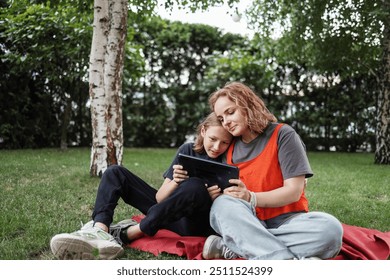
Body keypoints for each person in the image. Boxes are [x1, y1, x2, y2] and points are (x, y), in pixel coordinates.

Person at [50, 112, 232, 260]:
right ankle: (100, 230)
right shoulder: (187, 150)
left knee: (195, 186)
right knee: (115, 172)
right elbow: (160, 198)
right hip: (167, 213)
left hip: (196, 223)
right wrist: (175, 182)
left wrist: (213, 198)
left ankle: (129, 233)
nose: (217, 147)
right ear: (203, 131)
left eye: (224, 142)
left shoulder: (229, 161)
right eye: (213, 138)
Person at [202, 81, 343, 260]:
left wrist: (251, 197)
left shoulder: (284, 135)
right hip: (247, 220)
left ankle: (238, 247)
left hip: (288, 222)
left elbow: (293, 192)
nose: (226, 122)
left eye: (230, 112)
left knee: (330, 230)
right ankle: (284, 260)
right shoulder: (227, 147)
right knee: (222, 205)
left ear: (248, 105)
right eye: (221, 118)